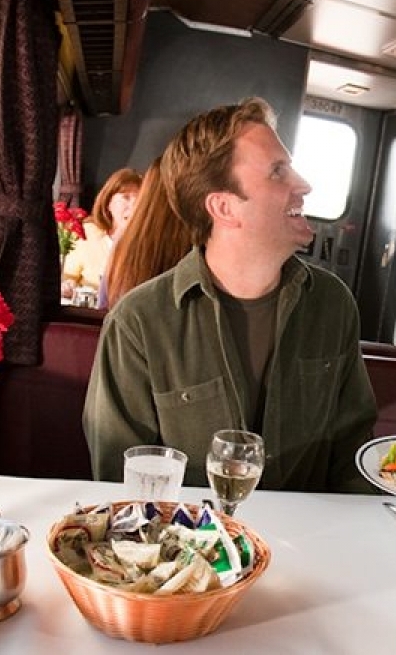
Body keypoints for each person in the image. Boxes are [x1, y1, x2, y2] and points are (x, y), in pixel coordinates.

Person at [83, 98, 377, 492]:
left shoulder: (332, 304)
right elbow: (121, 483)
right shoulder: (138, 323)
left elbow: (352, 455)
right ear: (223, 207)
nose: (303, 185)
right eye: (278, 172)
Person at [101, 156, 192, 308]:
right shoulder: (200, 247)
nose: (132, 204)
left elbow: (104, 306)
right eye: (125, 197)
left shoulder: (123, 245)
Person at [62, 167, 141, 299]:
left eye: (139, 200)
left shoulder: (149, 242)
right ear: (108, 203)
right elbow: (68, 276)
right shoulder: (88, 233)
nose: (133, 206)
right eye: (126, 197)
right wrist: (69, 285)